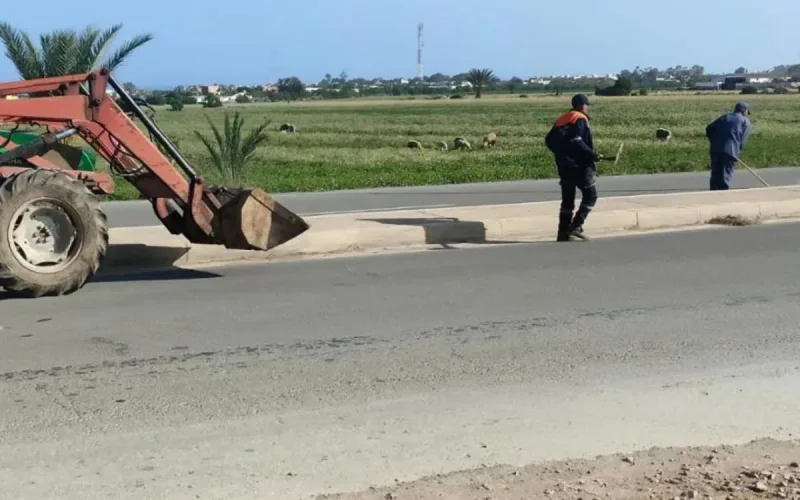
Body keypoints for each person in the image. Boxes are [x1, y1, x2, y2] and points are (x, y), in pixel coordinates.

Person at [545, 93, 605, 242]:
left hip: (563, 165)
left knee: (567, 200)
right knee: (591, 196)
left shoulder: (563, 118)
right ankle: (576, 226)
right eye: (587, 105)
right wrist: (591, 154)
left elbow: (549, 140)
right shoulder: (580, 118)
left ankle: (563, 233)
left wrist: (562, 154)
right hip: (579, 165)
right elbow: (577, 139)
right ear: (584, 105)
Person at [705, 101, 751, 190]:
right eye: (747, 112)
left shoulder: (724, 117)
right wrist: (737, 150)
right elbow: (742, 140)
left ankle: (712, 194)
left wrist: (714, 141)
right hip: (731, 150)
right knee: (726, 173)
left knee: (715, 173)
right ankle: (723, 194)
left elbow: (709, 128)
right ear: (744, 111)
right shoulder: (745, 121)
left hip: (715, 149)